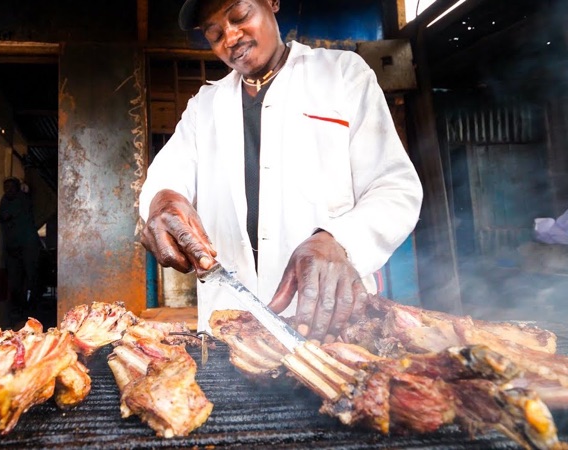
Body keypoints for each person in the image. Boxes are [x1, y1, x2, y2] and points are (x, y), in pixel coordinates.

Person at [139, 0, 424, 340]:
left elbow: (395, 187)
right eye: (214, 34)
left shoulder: (342, 74)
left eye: (240, 16)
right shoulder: (205, 106)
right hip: (230, 333)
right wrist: (162, 202)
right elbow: (165, 178)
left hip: (328, 322)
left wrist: (340, 241)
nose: (230, 37)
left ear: (272, 2)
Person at [0, 177, 41, 318]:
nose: (8, 190)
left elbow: (4, 217)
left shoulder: (22, 199)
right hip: (12, 247)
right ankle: (18, 309)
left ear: (17, 188)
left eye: (11, 187)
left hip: (28, 245)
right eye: (5, 187)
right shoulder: (5, 199)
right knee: (15, 278)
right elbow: (1, 216)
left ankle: (32, 308)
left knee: (30, 276)